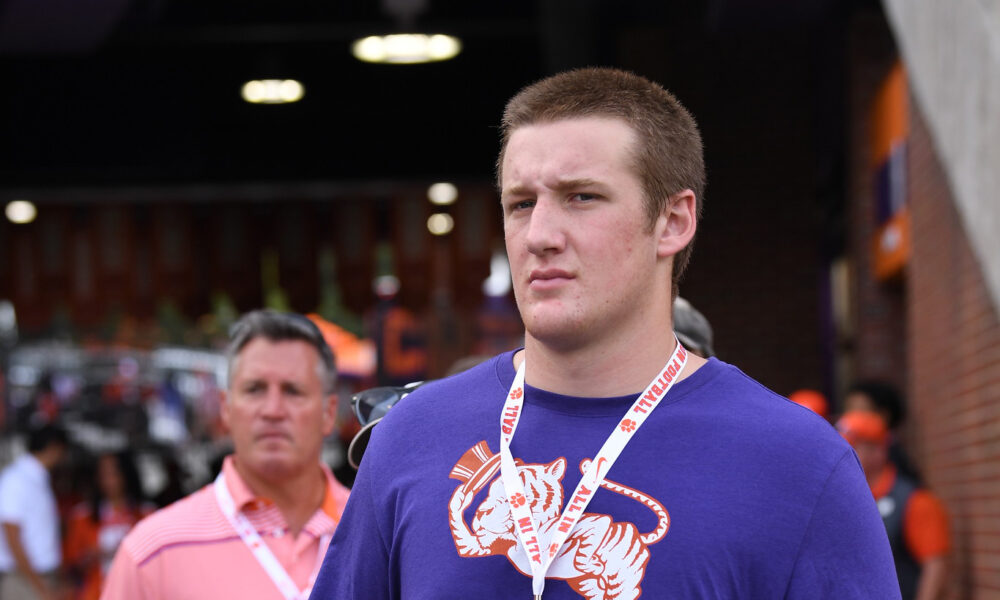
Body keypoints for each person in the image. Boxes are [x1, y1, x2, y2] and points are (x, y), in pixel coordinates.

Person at [311, 67, 899, 598]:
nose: (539, 235)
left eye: (581, 197)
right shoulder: (411, 437)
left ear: (673, 222)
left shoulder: (798, 465)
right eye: (521, 204)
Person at [102, 310, 350, 599]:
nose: (273, 410)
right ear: (226, 408)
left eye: (293, 391)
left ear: (329, 412)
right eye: (254, 389)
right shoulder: (153, 555)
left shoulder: (377, 532)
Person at [836, 411, 950, 600]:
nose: (841, 458)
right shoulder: (847, 498)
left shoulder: (914, 500)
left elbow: (935, 567)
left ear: (878, 451)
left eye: (852, 448)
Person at [64, 451, 154, 600]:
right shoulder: (82, 516)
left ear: (126, 475)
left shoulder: (146, 514)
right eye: (103, 474)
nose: (108, 480)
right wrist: (89, 557)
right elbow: (71, 564)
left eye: (114, 473)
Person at [0, 423, 69, 600]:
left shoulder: (37, 477)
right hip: (24, 582)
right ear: (54, 448)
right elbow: (12, 537)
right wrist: (41, 588)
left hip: (38, 579)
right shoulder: (16, 479)